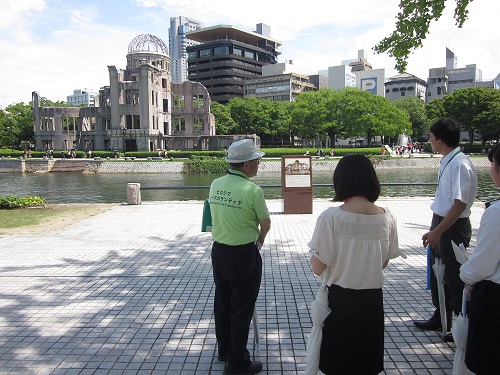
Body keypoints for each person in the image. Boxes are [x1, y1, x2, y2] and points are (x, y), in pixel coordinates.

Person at [308, 154, 401, 375]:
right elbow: (384, 262)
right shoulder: (387, 217)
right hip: (371, 303)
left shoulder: (330, 218)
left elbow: (317, 267)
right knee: (366, 364)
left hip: (339, 303)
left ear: (341, 181)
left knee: (337, 364)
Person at [209, 139, 271, 375]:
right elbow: (265, 222)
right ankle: (237, 362)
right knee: (241, 307)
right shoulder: (253, 190)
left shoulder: (215, 184)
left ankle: (225, 350)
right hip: (244, 254)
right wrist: (260, 239)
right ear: (246, 164)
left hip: (220, 252)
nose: (259, 163)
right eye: (257, 160)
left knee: (223, 302)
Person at [414, 118, 477, 342]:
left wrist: (438, 231)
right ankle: (441, 316)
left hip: (452, 226)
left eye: (431, 136)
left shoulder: (460, 164)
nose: (429, 139)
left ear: (440, 141)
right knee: (437, 271)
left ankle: (462, 324)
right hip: (441, 221)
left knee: (455, 276)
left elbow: (459, 204)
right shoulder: (447, 161)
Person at [459, 143, 500, 374]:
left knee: (487, 361)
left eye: (493, 164)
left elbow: (483, 264)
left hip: (494, 299)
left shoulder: (496, 212)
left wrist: (465, 273)